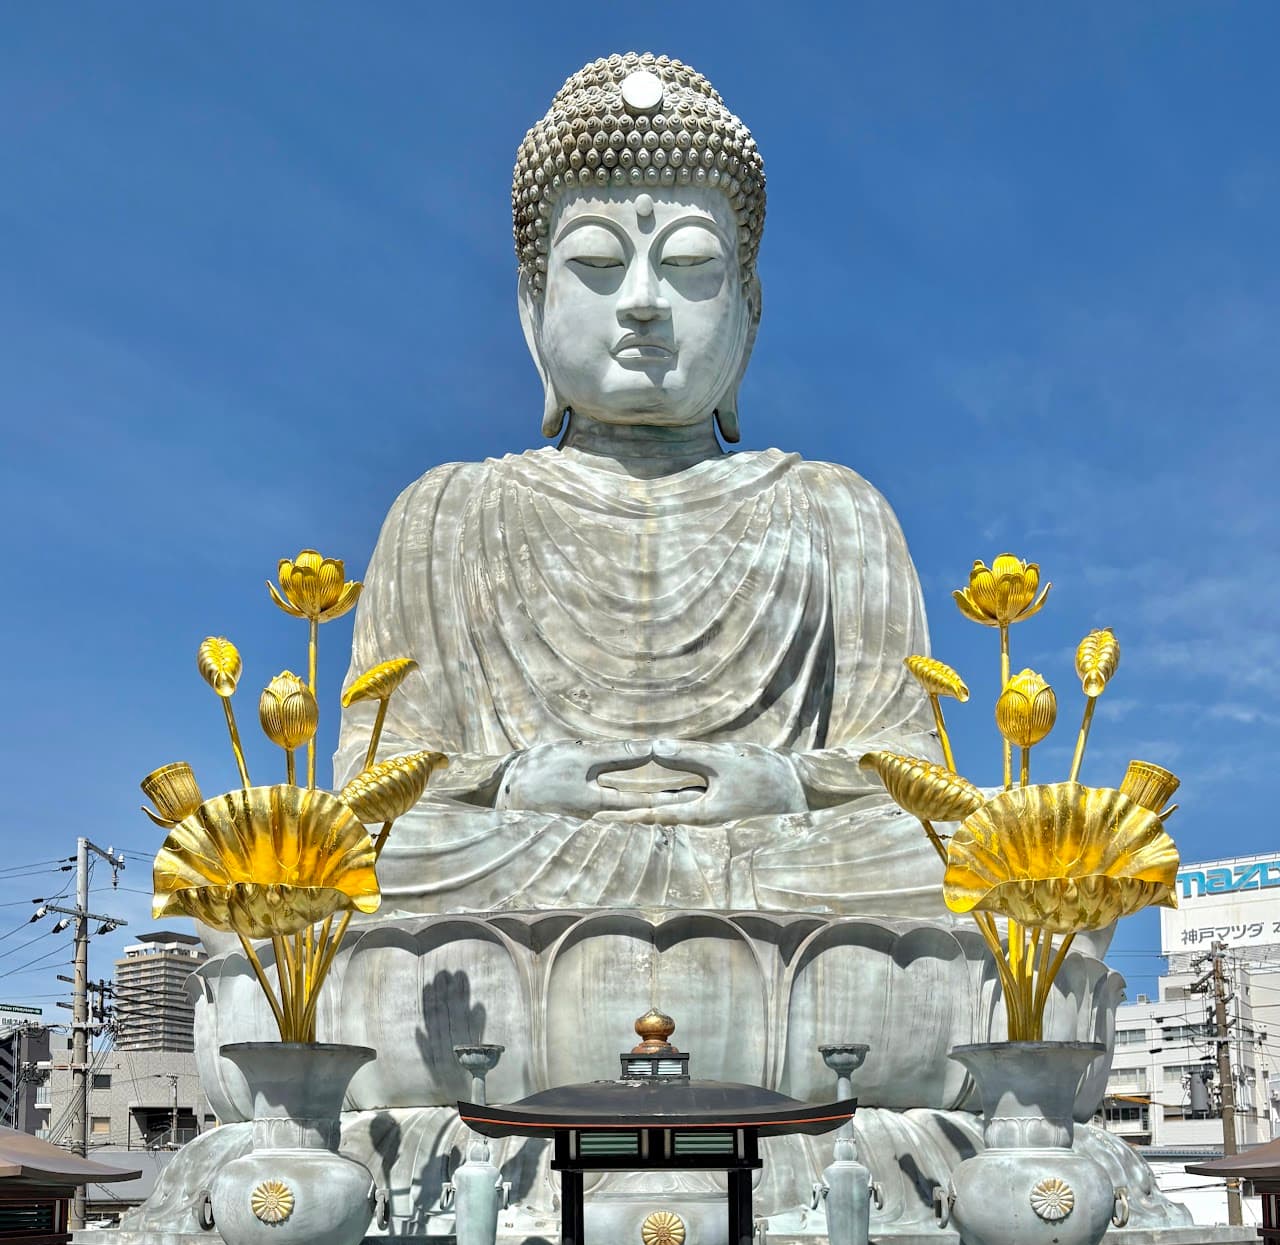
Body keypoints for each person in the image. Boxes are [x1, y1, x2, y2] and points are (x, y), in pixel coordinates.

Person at [337, 52, 944, 919]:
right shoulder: (443, 514)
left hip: (780, 857)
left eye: (692, 263)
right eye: (596, 261)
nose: (645, 301)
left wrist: (785, 781)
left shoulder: (835, 509)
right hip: (512, 854)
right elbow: (377, 782)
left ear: (749, 310)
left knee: (949, 862)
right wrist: (511, 779)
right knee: (346, 864)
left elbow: (911, 778)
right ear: (530, 308)